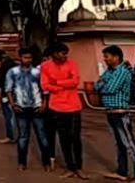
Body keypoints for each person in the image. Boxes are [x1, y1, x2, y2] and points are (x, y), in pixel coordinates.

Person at [96, 46, 135, 183]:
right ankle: (122, 172)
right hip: (110, 111)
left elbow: (110, 88)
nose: (105, 59)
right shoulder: (110, 72)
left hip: (121, 113)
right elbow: (96, 87)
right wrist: (102, 83)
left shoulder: (123, 72)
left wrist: (102, 83)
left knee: (128, 144)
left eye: (107, 56)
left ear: (116, 57)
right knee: (119, 144)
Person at [41, 42, 87, 180]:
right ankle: (70, 167)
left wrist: (57, 82)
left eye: (66, 53)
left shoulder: (72, 64)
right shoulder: (45, 66)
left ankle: (78, 167)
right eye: (62, 53)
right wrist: (62, 84)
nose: (65, 56)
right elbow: (45, 85)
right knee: (64, 138)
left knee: (75, 137)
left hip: (73, 106)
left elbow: (75, 81)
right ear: (54, 54)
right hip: (57, 107)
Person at [6, 47, 51, 172]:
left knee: (42, 136)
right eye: (25, 57)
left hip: (37, 107)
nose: (28, 60)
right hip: (21, 107)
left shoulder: (37, 72)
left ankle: (46, 162)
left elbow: (45, 90)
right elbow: (8, 89)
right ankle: (22, 163)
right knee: (23, 137)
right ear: (20, 58)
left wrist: (44, 104)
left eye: (30, 57)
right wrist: (13, 104)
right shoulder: (13, 72)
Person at [41, 46, 58, 169]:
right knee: (48, 133)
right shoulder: (40, 70)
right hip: (47, 106)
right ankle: (49, 158)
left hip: (61, 105)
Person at [0, 50, 18, 144]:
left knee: (9, 115)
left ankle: (11, 136)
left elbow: (0, 80)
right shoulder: (16, 65)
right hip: (17, 93)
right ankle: (16, 135)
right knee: (14, 115)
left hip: (7, 94)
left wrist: (0, 91)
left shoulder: (4, 66)